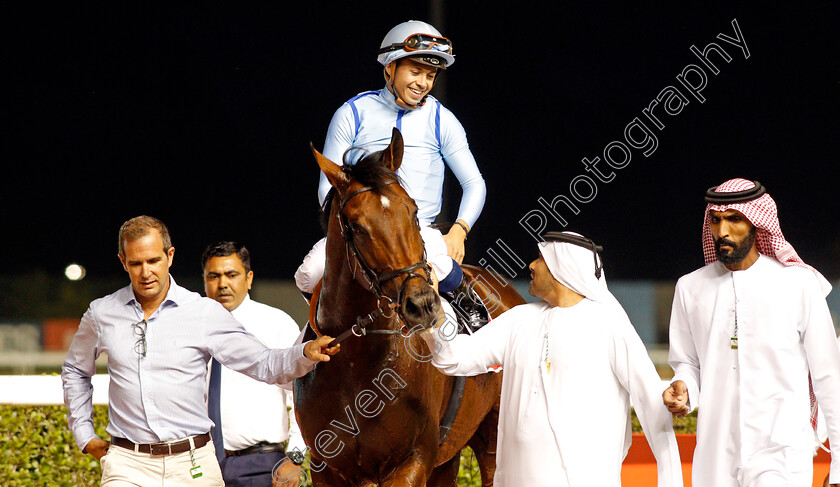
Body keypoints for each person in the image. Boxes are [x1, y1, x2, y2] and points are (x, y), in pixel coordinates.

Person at [61, 216, 339, 486]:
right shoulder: (101, 313)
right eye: (136, 263)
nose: (146, 272)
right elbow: (74, 369)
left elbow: (262, 362)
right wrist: (84, 435)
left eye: (154, 260)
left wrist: (305, 353)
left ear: (170, 256)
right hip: (127, 465)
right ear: (123, 261)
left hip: (193, 464)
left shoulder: (204, 312)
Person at [421, 231, 683, 486]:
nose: (531, 265)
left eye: (540, 259)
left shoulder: (607, 323)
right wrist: (431, 308)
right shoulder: (518, 319)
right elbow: (453, 357)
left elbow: (650, 393)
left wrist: (671, 397)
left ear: (563, 267)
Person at [295, 20, 486, 316]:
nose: (423, 82)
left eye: (430, 75)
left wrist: (459, 231)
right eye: (415, 71)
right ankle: (314, 342)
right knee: (309, 273)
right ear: (389, 68)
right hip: (362, 230)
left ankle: (476, 324)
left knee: (446, 271)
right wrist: (354, 229)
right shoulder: (351, 113)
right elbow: (327, 187)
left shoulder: (442, 120)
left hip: (419, 230)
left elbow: (474, 184)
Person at [662, 178, 840, 486]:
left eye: (734, 220)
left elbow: (828, 376)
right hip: (716, 449)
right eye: (715, 221)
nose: (722, 232)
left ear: (758, 225)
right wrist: (684, 388)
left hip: (781, 448)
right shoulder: (689, 288)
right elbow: (687, 363)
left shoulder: (797, 284)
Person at [201, 242, 307, 486]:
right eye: (213, 276)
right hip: (201, 468)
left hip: (261, 465)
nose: (222, 284)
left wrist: (295, 457)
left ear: (249, 278)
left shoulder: (275, 324)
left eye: (232, 275)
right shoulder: (193, 328)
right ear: (204, 280)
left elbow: (304, 397)